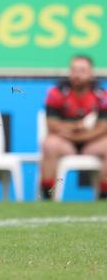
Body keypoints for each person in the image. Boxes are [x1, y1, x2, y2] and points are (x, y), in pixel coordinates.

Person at [40, 55, 107, 200]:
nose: (77, 75)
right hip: (66, 144)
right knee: (49, 144)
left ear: (91, 74)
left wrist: (73, 132)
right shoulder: (56, 93)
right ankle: (47, 195)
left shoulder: (102, 95)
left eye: (82, 71)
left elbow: (103, 128)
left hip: (91, 144)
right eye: (74, 70)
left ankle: (103, 197)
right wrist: (79, 126)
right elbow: (52, 125)